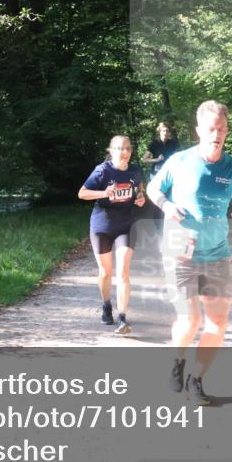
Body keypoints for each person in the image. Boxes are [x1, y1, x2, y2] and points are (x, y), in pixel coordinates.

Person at [146, 101, 232, 405]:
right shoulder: (179, 161)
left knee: (218, 322)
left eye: (221, 129)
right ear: (199, 130)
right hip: (180, 253)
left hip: (218, 254)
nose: (216, 134)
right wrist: (167, 205)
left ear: (227, 131)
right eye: (210, 129)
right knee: (190, 320)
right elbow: (153, 189)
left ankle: (196, 379)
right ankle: (177, 359)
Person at [78, 135, 146, 334]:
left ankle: (122, 318)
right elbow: (82, 193)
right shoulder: (102, 171)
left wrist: (140, 197)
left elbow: (139, 190)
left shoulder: (135, 170)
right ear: (111, 151)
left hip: (126, 225)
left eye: (128, 148)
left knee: (123, 272)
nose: (124, 152)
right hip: (102, 226)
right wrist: (103, 193)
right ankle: (106, 306)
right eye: (120, 148)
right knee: (106, 272)